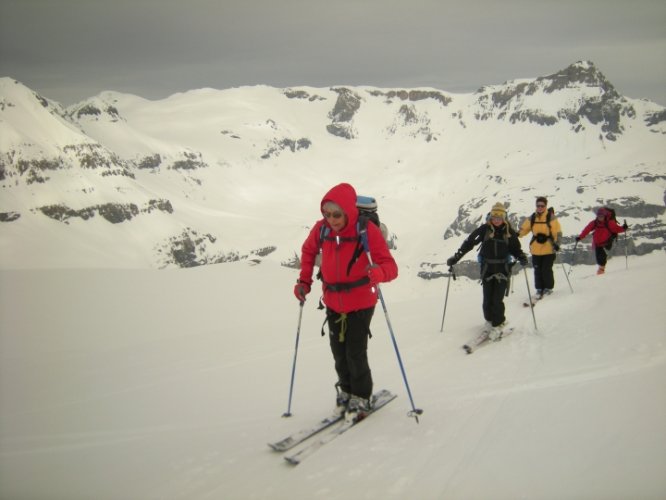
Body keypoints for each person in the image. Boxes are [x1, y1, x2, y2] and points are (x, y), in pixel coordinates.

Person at [293, 183, 398, 421]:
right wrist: (304, 281)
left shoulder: (366, 231)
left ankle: (361, 396)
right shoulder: (322, 230)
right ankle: (346, 391)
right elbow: (308, 251)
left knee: (355, 352)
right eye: (327, 214)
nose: (331, 219)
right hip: (332, 301)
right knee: (338, 352)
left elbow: (392, 267)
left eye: (337, 214)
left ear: (349, 211)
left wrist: (379, 273)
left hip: (361, 302)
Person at [446, 202, 528, 354]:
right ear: (490, 216)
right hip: (487, 270)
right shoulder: (484, 230)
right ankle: (490, 322)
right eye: (494, 216)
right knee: (487, 300)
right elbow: (469, 243)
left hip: (503, 270)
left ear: (504, 217)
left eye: (500, 216)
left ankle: (499, 324)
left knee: (497, 300)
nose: (496, 219)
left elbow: (516, 249)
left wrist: (522, 257)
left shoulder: (509, 232)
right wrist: (455, 258)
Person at [518, 196, 562, 299]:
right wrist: (517, 234)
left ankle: (548, 288)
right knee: (537, 270)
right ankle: (539, 289)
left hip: (549, 248)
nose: (540, 207)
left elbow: (557, 232)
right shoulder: (533, 217)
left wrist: (557, 244)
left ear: (546, 206)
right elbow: (524, 229)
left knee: (546, 269)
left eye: (542, 206)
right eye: (538, 206)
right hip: (536, 249)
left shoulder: (551, 217)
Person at [575, 207, 628, 275]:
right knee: (599, 259)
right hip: (597, 243)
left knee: (602, 258)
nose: (600, 217)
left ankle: (601, 273)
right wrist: (580, 237)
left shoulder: (609, 223)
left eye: (601, 216)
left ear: (604, 216)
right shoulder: (594, 223)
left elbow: (616, 229)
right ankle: (601, 271)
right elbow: (587, 229)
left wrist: (623, 228)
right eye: (599, 216)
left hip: (606, 243)